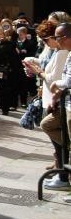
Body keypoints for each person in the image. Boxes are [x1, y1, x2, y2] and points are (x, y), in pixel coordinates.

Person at [41, 23, 71, 190]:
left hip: (69, 106)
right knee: (47, 125)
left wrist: (56, 85)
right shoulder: (66, 53)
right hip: (64, 103)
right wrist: (56, 96)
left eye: (58, 37)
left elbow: (67, 81)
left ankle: (65, 177)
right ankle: (63, 174)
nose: (56, 41)